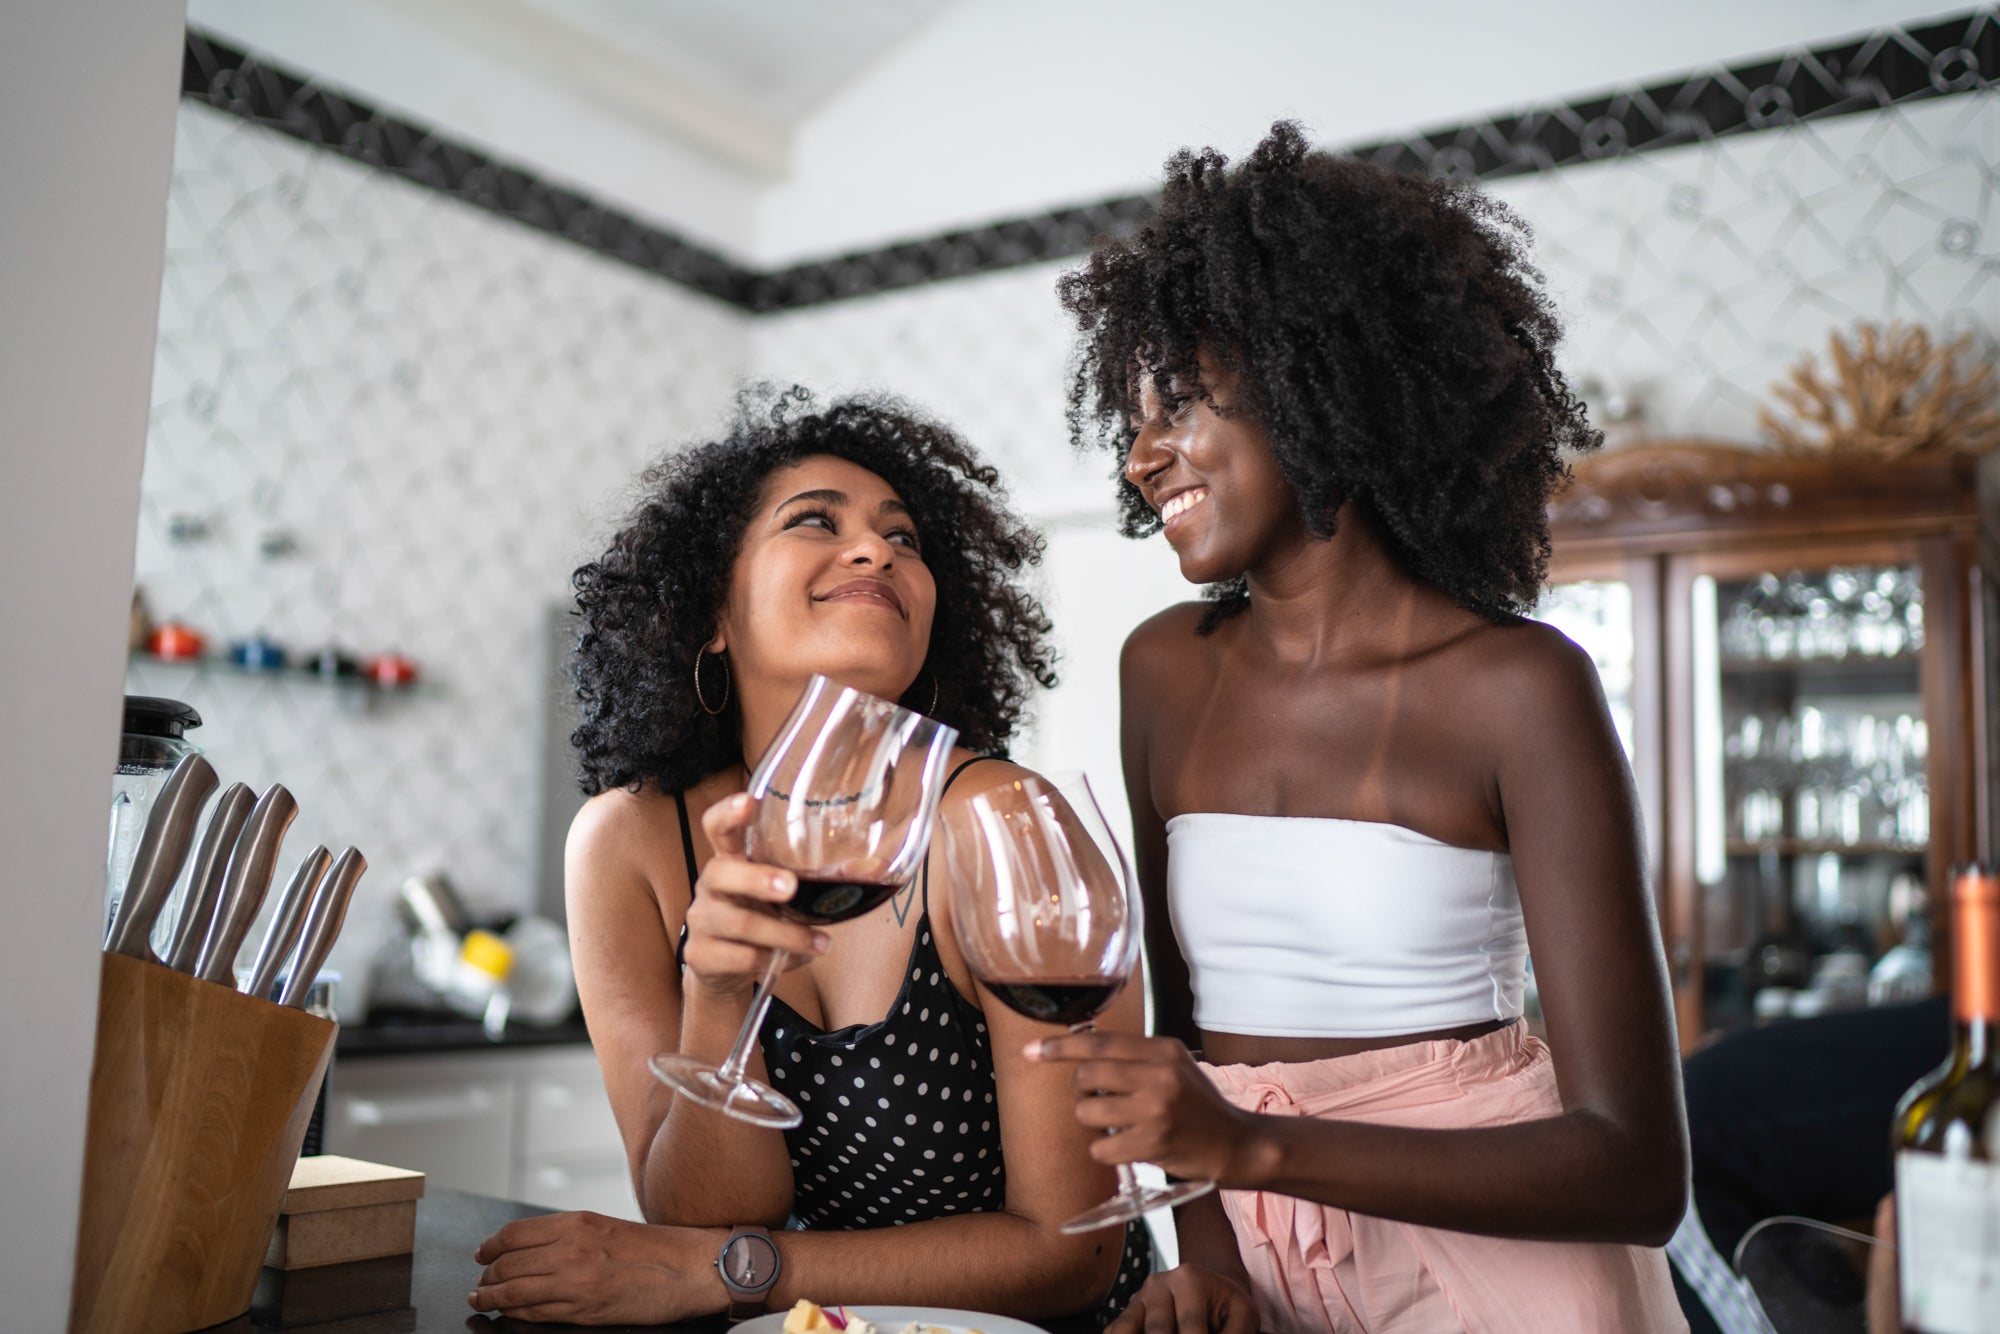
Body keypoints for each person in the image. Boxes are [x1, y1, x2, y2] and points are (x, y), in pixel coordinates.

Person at [1030, 122, 1690, 1333]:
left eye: (1176, 401)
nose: (1138, 455)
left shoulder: (1516, 687)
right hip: (1270, 1268)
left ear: (1312, 375)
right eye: (1130, 417)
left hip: (1500, 1282)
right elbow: (1180, 1037)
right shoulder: (1162, 671)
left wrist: (1253, 1142)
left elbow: (1634, 1169)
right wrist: (1212, 1260)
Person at [469, 390, 1153, 1324]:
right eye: (815, 522)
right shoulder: (629, 842)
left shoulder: (996, 819)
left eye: (904, 538)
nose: (878, 551)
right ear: (710, 611)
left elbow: (1067, 1253)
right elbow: (699, 1213)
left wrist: (727, 1274)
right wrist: (719, 999)